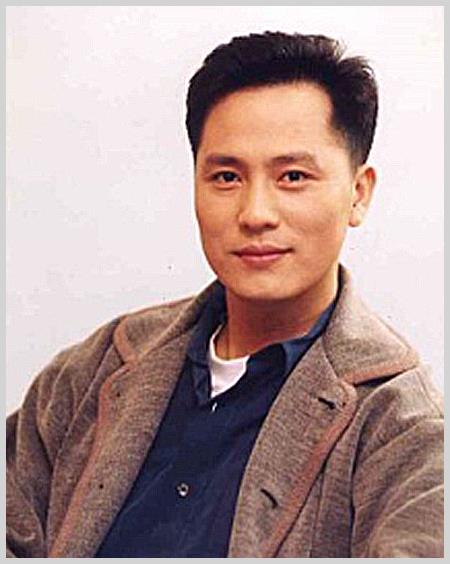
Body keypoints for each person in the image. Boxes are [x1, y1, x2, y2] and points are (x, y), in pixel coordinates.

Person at [6, 31, 443, 558]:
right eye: (227, 176)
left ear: (358, 192)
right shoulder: (94, 369)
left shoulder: (406, 430)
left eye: (293, 176)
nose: (255, 213)